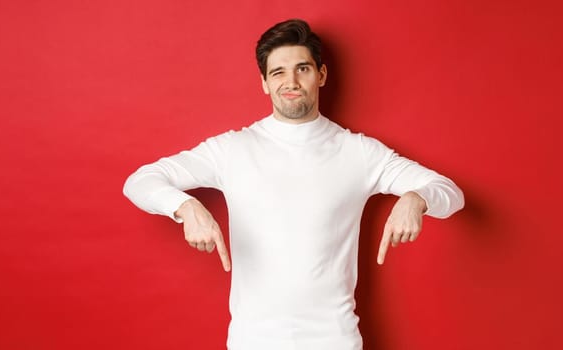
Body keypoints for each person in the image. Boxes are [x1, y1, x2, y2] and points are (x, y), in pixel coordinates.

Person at [123, 18, 464, 350]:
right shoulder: (232, 149)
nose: (291, 81)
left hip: (336, 340)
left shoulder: (359, 152)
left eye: (302, 69)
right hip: (252, 341)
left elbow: (451, 193)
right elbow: (140, 181)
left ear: (321, 75)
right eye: (278, 72)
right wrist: (184, 207)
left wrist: (416, 198)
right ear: (264, 83)